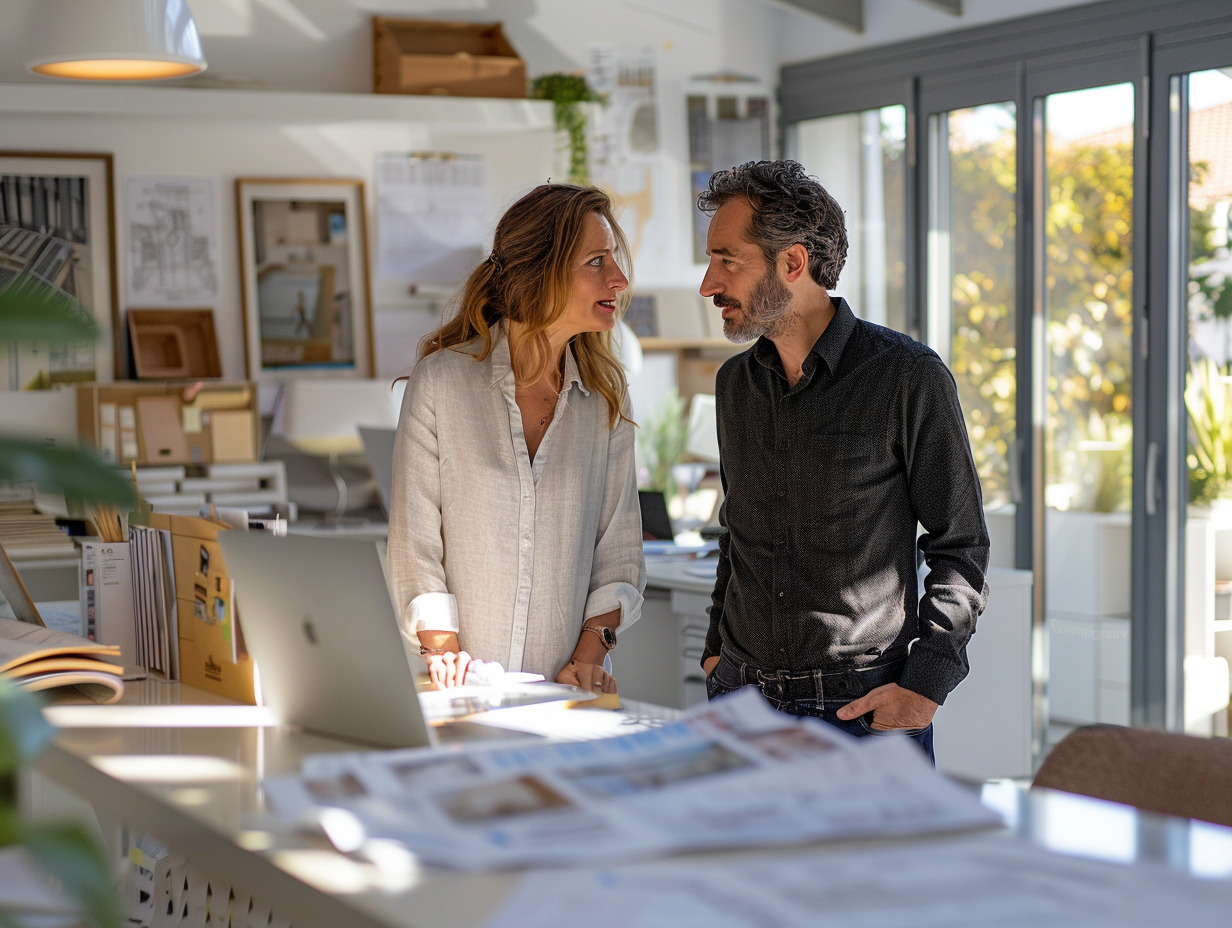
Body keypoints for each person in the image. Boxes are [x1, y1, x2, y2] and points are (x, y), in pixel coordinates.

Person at [696, 160, 989, 761]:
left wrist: (924, 688)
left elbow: (960, 542)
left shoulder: (908, 376)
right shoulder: (734, 387)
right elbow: (739, 532)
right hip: (738, 705)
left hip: (860, 714)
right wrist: (715, 650)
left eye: (727, 260)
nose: (708, 283)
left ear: (793, 263)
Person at [387, 183, 646, 695]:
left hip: (570, 696)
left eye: (613, 260)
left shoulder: (605, 400)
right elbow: (416, 548)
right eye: (596, 261)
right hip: (457, 691)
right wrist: (447, 657)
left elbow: (618, 553)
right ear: (539, 272)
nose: (617, 279)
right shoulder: (442, 382)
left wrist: (588, 659)